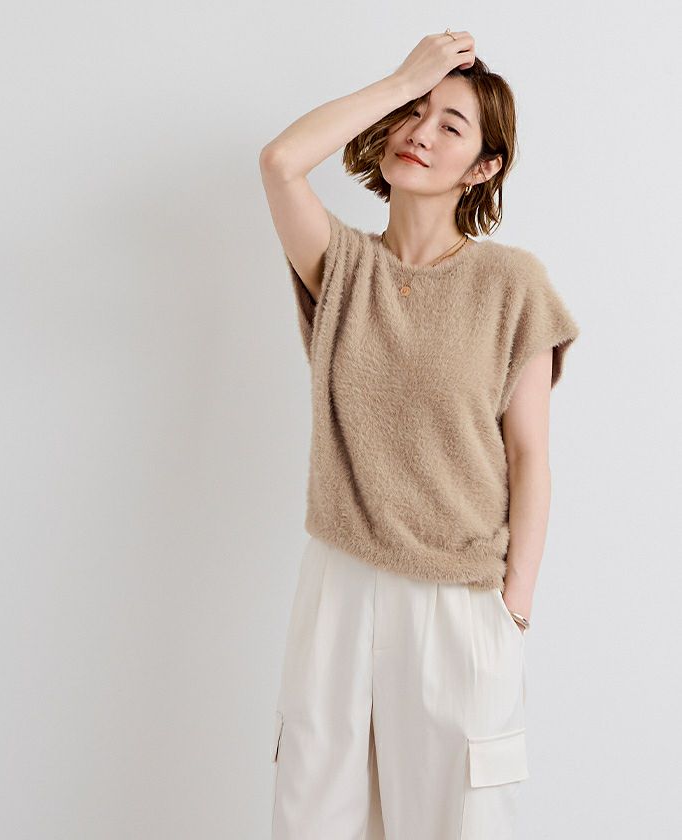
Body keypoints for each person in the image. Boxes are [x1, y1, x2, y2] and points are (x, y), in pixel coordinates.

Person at [259, 29, 580, 840]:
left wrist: (514, 609)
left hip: (458, 601)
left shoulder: (512, 285)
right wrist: (404, 78)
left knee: (457, 825)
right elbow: (281, 162)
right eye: (415, 112)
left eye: (451, 125)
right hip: (339, 586)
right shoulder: (344, 268)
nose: (420, 132)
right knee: (313, 819)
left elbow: (531, 457)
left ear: (484, 167)